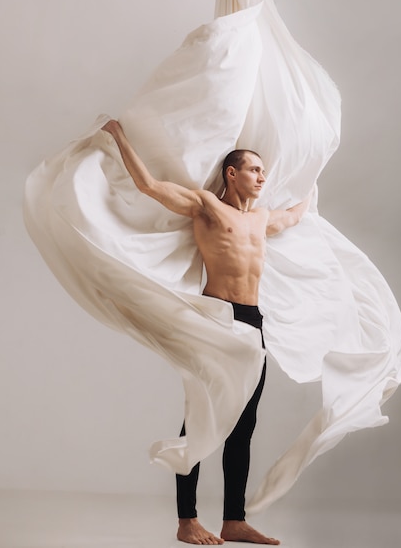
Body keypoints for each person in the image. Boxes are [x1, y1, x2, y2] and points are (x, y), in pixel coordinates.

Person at [102, 119, 310, 545]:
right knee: (200, 416)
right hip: (217, 318)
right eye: (255, 169)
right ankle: (186, 521)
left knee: (245, 422)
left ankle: (234, 519)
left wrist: (315, 166)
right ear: (232, 173)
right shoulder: (206, 206)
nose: (262, 177)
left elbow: (294, 215)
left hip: (253, 321)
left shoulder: (264, 219)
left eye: (264, 171)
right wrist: (118, 135)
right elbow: (149, 186)